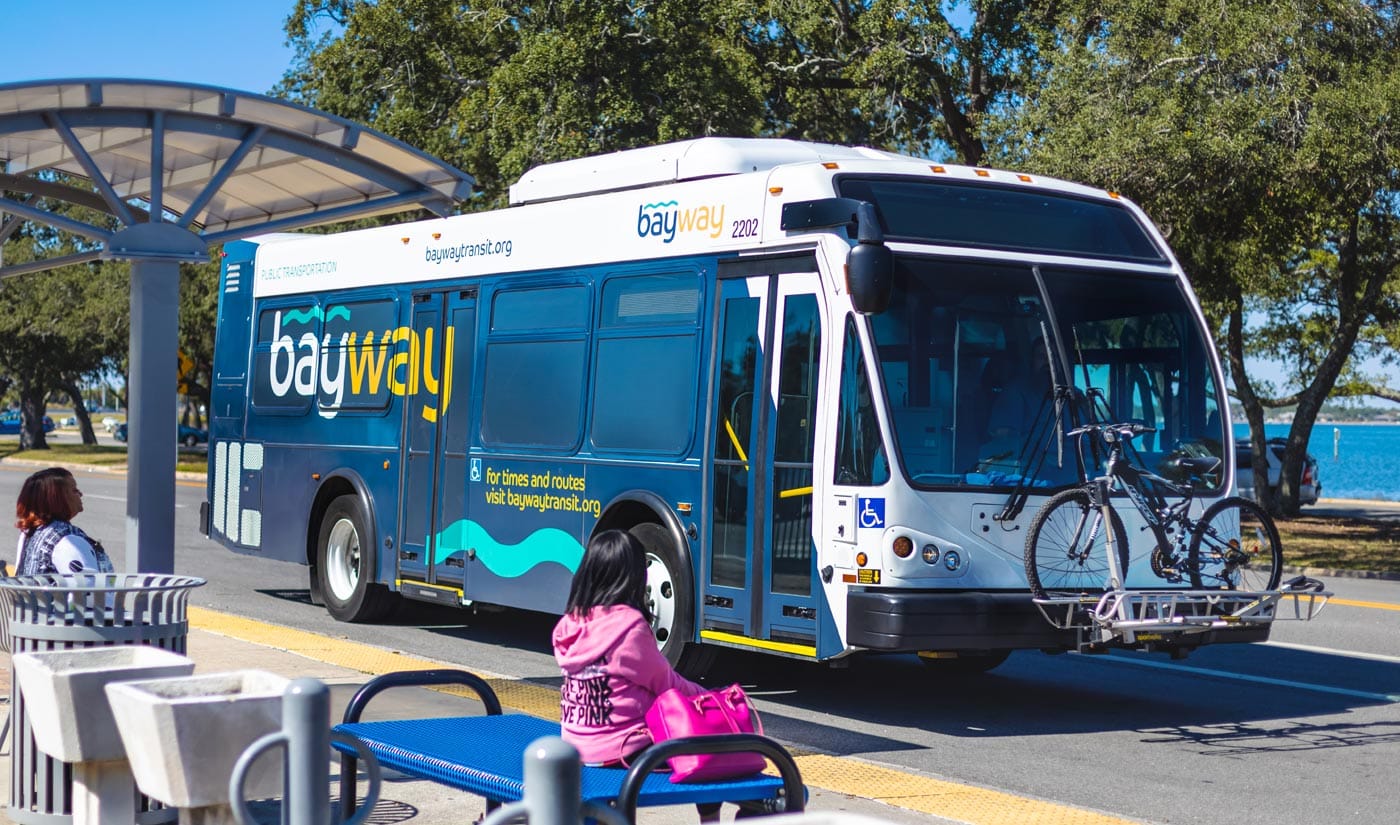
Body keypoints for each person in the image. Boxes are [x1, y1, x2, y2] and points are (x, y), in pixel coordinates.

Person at [553, 529, 722, 820]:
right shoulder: (628, 627)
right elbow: (667, 685)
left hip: (575, 746)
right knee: (707, 747)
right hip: (622, 751)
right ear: (632, 577)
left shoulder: (571, 623)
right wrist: (709, 697)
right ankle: (711, 817)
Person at [13, 467, 113, 575]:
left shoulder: (29, 533)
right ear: (57, 499)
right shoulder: (68, 540)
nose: (80, 494)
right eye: (75, 490)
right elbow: (88, 588)